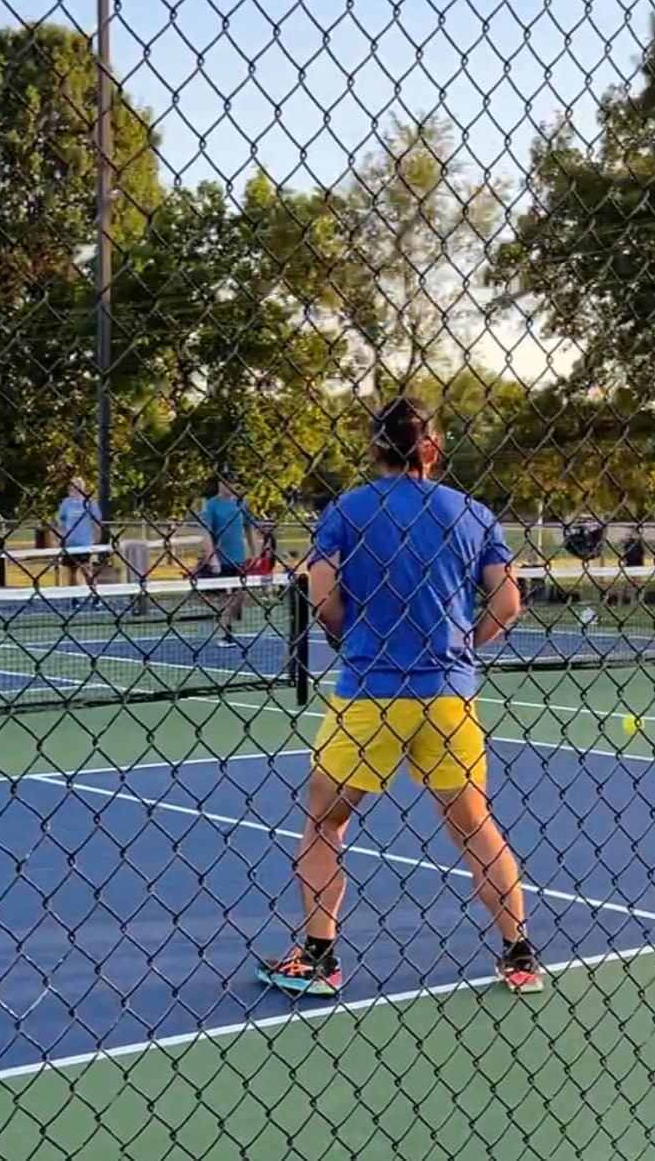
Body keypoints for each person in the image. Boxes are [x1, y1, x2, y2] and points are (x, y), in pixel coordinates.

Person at [255, 397, 541, 997]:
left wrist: (349, 632)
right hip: (449, 698)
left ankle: (318, 958)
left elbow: (321, 591)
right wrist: (464, 645)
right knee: (473, 826)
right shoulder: (472, 513)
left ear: (375, 447)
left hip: (369, 694)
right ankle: (518, 953)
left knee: (325, 821)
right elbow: (508, 602)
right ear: (432, 448)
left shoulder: (348, 510)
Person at [200, 472, 258, 646]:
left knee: (242, 595)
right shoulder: (211, 506)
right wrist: (212, 558)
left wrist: (255, 553)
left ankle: (227, 623)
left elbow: (250, 528)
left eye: (232, 483)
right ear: (220, 484)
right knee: (226, 598)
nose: (229, 486)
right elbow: (205, 533)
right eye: (225, 483)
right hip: (221, 559)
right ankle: (226, 632)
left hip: (238, 559)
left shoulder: (242, 504)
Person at [54, 478, 102, 587]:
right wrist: (59, 538)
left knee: (86, 569)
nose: (74, 488)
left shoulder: (90, 503)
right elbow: (61, 523)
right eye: (72, 485)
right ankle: (74, 598)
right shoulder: (66, 503)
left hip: (85, 542)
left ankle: (95, 594)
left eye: (77, 485)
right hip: (70, 542)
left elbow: (96, 523)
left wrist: (96, 540)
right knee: (71, 570)